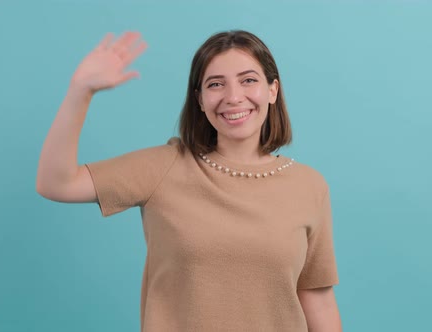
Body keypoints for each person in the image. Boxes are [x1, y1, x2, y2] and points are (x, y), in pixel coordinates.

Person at [36, 30, 341, 332]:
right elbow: (55, 183)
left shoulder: (309, 186)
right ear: (200, 99)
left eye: (248, 80)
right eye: (215, 84)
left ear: (273, 90)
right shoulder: (165, 167)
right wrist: (80, 92)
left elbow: (317, 300)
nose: (233, 97)